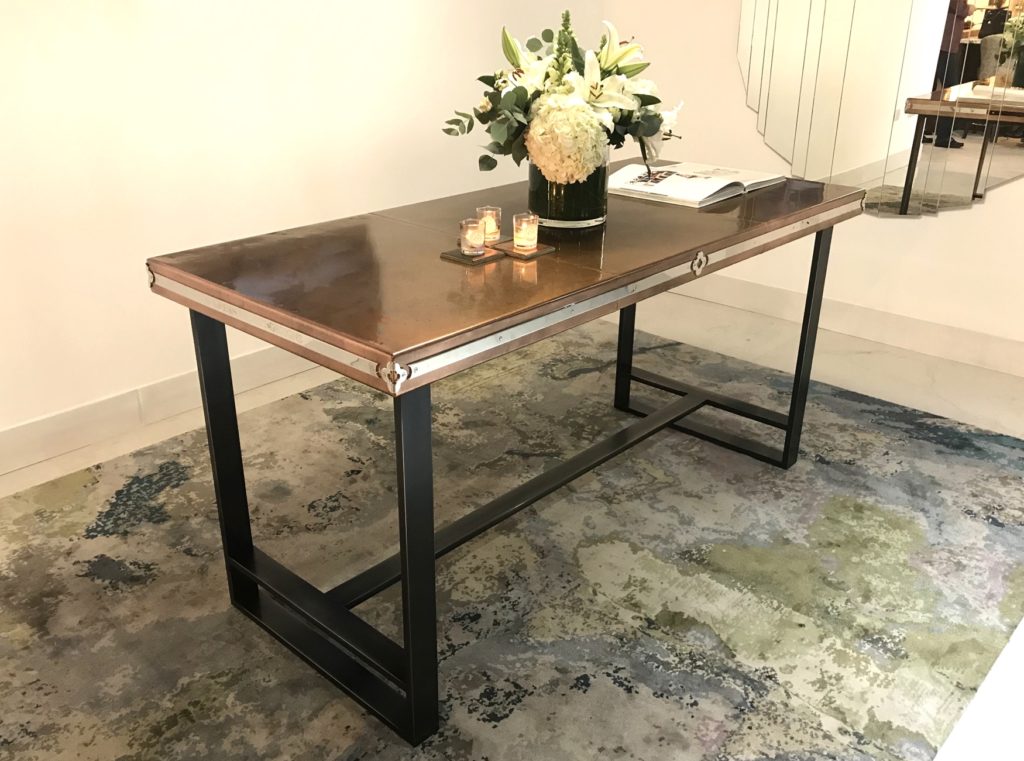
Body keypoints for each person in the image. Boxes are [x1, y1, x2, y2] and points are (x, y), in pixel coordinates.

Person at [930, 0, 974, 148]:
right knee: (951, 89)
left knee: (933, 87)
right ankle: (943, 136)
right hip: (947, 45)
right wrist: (970, 8)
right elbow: (960, 9)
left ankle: (925, 131)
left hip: (942, 43)